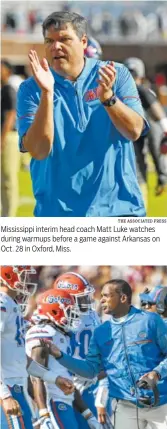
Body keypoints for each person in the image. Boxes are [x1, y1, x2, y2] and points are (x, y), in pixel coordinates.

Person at [17, 11, 149, 217]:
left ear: (84, 42)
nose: (55, 46)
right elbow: (39, 150)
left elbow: (134, 131)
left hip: (119, 210)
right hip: (58, 215)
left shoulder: (116, 74)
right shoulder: (30, 88)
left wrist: (109, 99)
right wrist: (46, 94)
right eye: (49, 41)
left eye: (64, 39)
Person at [42, 279, 167, 429]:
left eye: (107, 295)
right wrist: (60, 356)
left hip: (160, 402)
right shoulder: (101, 331)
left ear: (123, 298)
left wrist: (157, 372)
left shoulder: (150, 320)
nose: (101, 300)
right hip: (124, 404)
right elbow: (90, 370)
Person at [0, 266, 76, 429]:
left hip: (16, 387)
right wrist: (5, 395)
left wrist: (55, 379)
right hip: (6, 388)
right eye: (23, 275)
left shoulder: (11, 304)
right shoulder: (2, 303)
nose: (27, 280)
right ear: (8, 275)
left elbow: (20, 359)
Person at [25, 288, 100, 429]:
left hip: (64, 402)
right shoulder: (44, 333)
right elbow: (35, 376)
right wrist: (43, 413)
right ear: (54, 311)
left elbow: (67, 379)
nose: (74, 316)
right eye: (70, 311)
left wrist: (88, 415)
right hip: (52, 402)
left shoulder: (61, 335)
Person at [53, 272, 112, 428]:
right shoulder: (90, 317)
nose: (87, 302)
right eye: (81, 298)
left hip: (86, 383)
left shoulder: (85, 316)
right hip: (73, 384)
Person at [124, 57, 167, 202]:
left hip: (107, 178)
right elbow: (155, 139)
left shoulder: (107, 96)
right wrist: (162, 174)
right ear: (141, 77)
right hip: (136, 175)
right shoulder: (142, 96)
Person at [1, 59, 20, 217]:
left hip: (9, 137)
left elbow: (11, 115)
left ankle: (9, 217)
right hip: (6, 137)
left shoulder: (8, 89)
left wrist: (3, 138)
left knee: (8, 179)